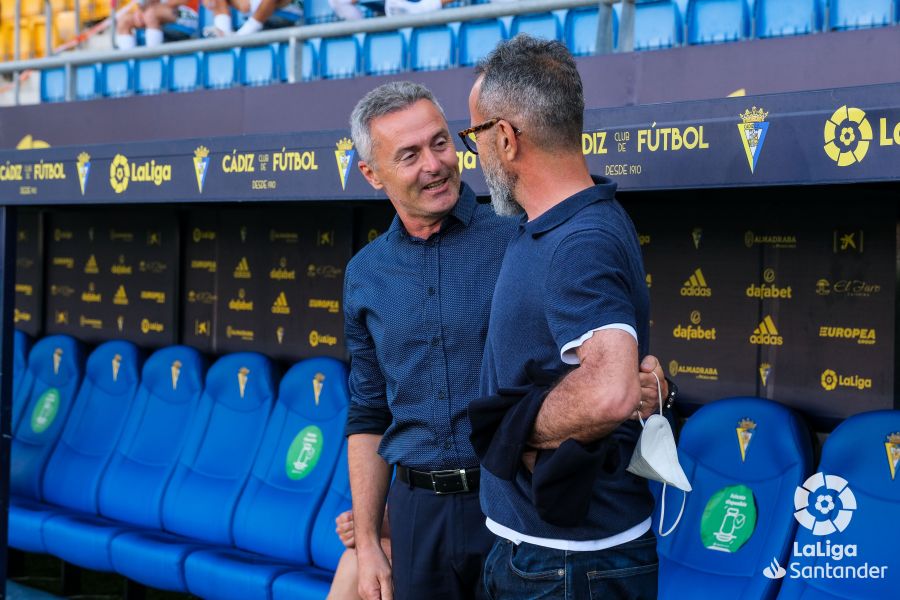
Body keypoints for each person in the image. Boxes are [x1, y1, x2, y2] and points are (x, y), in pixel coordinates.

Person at [343, 80, 667, 600]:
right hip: (415, 513)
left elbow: (599, 359)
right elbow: (367, 412)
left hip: (519, 501)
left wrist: (644, 382)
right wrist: (366, 541)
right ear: (371, 173)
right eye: (409, 155)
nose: (434, 164)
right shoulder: (364, 274)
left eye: (441, 142)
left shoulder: (522, 230)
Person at [468, 34, 659, 599]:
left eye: (474, 134)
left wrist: (511, 429)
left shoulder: (581, 240)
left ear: (505, 137)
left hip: (569, 569)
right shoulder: (565, 224)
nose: (472, 152)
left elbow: (609, 393)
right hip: (552, 557)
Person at [115, 0, 200, 50]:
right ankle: (131, 62)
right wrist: (140, 12)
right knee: (124, 21)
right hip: (154, 12)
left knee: (151, 15)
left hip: (186, 13)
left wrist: (158, 7)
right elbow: (142, 5)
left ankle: (153, 58)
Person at [202, 0, 302, 36]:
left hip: (288, 12)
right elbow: (245, 6)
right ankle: (223, 34)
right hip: (259, 11)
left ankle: (241, 36)